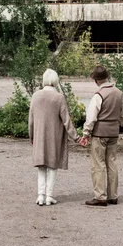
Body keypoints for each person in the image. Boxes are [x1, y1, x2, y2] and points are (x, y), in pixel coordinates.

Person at [29, 68, 85, 206]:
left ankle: (40, 196)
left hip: (39, 136)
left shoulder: (35, 96)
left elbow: (30, 120)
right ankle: (49, 196)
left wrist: (31, 137)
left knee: (41, 165)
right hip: (54, 136)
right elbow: (66, 121)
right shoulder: (59, 97)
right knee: (52, 166)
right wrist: (76, 137)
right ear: (55, 80)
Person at [81, 64, 123, 207]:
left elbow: (91, 117)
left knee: (98, 164)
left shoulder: (99, 95)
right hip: (114, 132)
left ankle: (100, 196)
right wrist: (117, 123)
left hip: (100, 133)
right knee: (112, 163)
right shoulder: (119, 93)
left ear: (96, 81)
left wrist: (86, 133)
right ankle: (113, 195)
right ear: (107, 77)